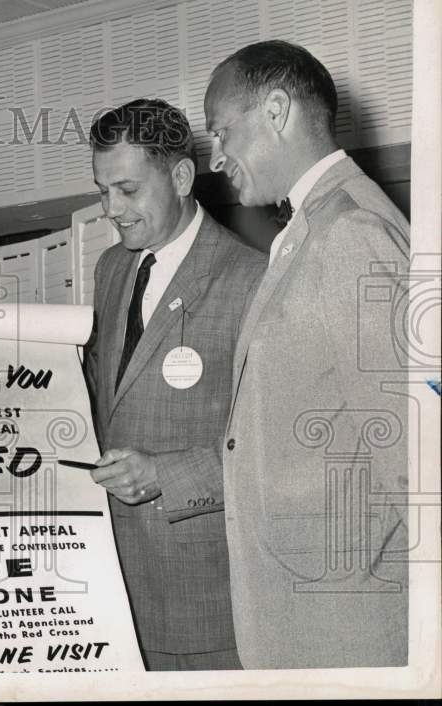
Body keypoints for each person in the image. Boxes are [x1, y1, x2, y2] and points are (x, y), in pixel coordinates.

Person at [205, 39, 409, 668]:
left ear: (275, 110)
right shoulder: (312, 227)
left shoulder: (350, 231)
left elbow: (416, 453)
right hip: (306, 611)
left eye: (221, 131)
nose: (216, 157)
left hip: (345, 624)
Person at [84, 99, 267, 671]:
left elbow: (277, 448)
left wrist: (165, 474)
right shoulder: (111, 269)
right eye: (103, 191)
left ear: (183, 177)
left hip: (204, 600)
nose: (111, 209)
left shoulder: (251, 278)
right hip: (109, 591)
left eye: (127, 190)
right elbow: (103, 397)